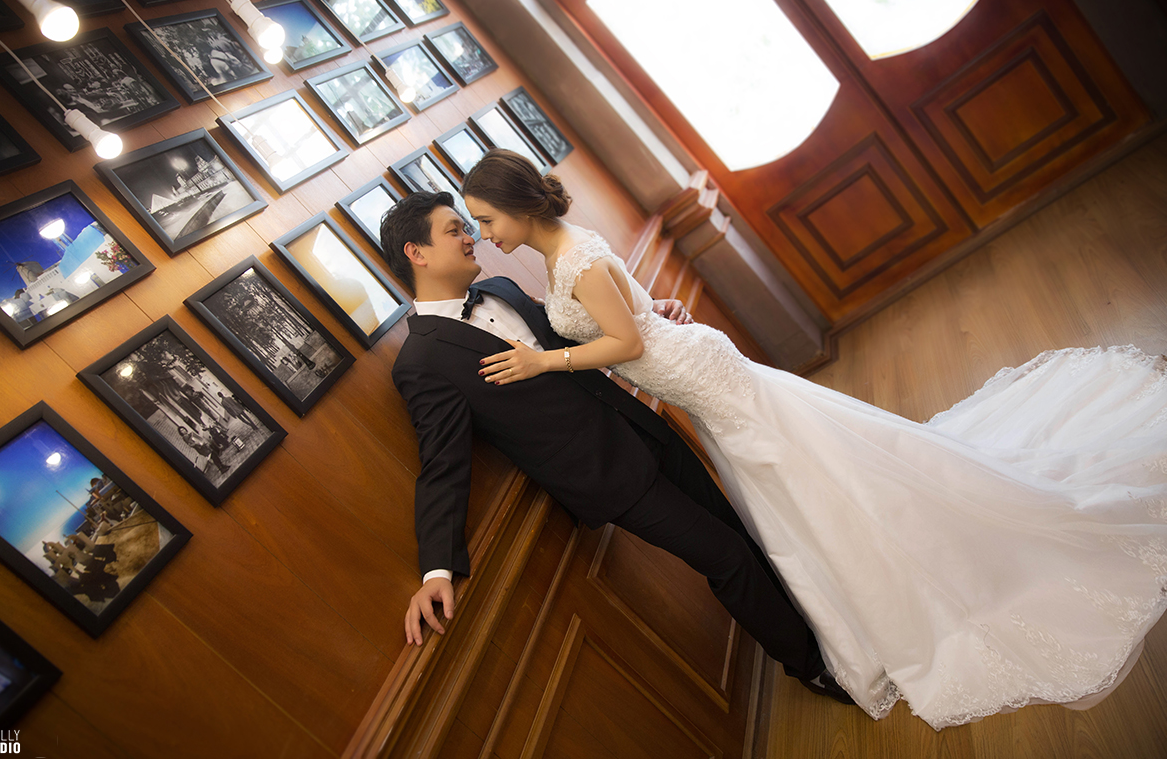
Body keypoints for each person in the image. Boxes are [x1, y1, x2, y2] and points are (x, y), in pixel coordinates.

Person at [459, 148, 1167, 729]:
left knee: (814, 474)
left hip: (704, 379)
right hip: (697, 373)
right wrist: (653, 308)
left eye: (487, 220)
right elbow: (633, 314)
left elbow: (626, 341)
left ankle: (907, 571)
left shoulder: (575, 259)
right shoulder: (564, 252)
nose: (485, 235)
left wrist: (543, 362)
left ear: (520, 205)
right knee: (810, 474)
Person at [379, 190, 854, 704]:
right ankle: (810, 665)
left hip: (643, 427)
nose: (471, 237)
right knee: (725, 557)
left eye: (469, 226)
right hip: (608, 479)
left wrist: (646, 312)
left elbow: (579, 335)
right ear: (416, 253)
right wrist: (437, 568)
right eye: (454, 230)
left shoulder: (501, 288)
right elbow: (442, 463)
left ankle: (830, 635)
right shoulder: (420, 362)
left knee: (739, 530)